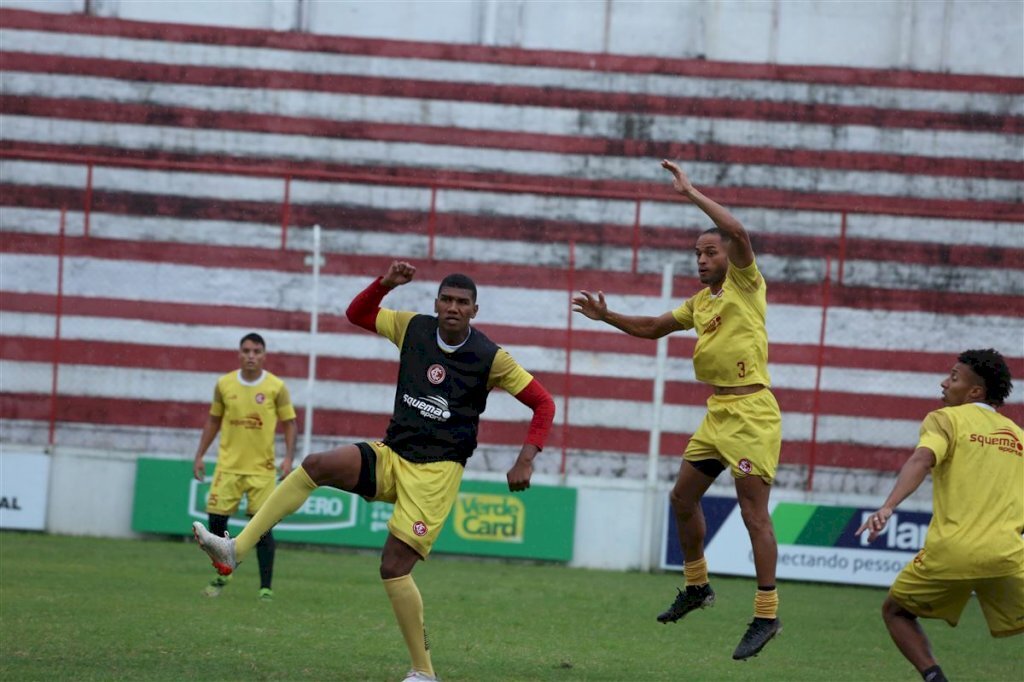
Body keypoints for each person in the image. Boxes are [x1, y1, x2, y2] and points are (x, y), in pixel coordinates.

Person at [193, 261, 556, 682]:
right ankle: (236, 549)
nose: (453, 307)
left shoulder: (490, 357)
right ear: (436, 302)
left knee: (393, 567)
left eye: (463, 302)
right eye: (447, 299)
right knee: (316, 465)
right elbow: (358, 315)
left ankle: (423, 672)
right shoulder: (413, 328)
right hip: (392, 455)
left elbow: (543, 403)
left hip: (435, 475)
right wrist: (383, 285)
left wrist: (525, 458)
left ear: (475, 310)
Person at [573, 159, 783, 660]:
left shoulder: (746, 284)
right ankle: (697, 586)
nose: (702, 259)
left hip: (752, 412)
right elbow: (651, 328)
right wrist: (607, 317)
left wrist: (689, 191)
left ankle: (767, 613)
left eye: (709, 251)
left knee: (754, 515)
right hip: (718, 415)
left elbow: (736, 228)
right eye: (697, 253)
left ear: (731, 255)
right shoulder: (700, 303)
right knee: (682, 499)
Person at [856, 349, 1023, 682]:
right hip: (1007, 554)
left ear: (975, 392)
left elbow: (922, 460)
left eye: (954, 377)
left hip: (951, 552)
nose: (944, 382)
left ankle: (935, 678)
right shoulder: (1017, 437)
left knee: (895, 611)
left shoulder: (945, 419)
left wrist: (888, 506)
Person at [191, 332, 297, 601]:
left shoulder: (276, 387)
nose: (251, 356)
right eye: (246, 350)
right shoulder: (224, 384)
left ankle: (265, 588)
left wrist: (288, 458)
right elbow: (213, 420)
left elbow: (290, 424)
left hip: (262, 469)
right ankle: (224, 573)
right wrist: (200, 455)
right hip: (228, 467)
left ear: (264, 355)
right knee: (216, 523)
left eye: (256, 351)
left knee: (261, 529)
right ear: (239, 353)